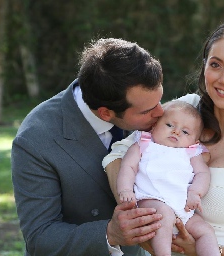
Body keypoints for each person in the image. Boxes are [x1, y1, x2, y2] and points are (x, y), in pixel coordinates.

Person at [104, 20, 224, 256]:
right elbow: (118, 154)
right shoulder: (186, 111)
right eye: (216, 64)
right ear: (205, 65)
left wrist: (202, 250)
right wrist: (140, 219)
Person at [11, 38, 166, 256]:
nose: (161, 113)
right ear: (106, 113)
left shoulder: (147, 108)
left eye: (160, 100)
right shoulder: (35, 139)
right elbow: (40, 237)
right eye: (147, 111)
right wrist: (109, 234)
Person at [116, 100, 220, 256]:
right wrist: (125, 189)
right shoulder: (144, 144)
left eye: (185, 132)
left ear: (195, 141)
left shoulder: (191, 152)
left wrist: (195, 192)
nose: (176, 132)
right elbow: (128, 167)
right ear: (154, 126)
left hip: (183, 208)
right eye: (170, 125)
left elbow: (203, 174)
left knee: (205, 230)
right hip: (151, 200)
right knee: (164, 213)